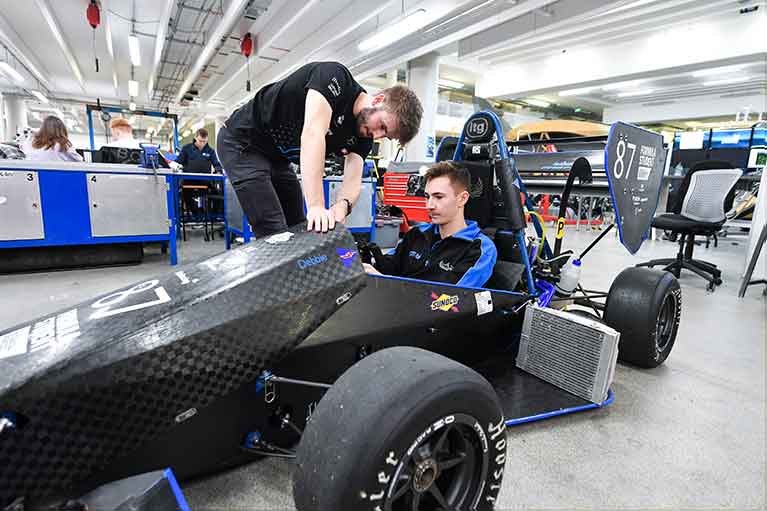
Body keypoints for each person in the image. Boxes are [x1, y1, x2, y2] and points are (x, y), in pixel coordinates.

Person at [217, 61, 423, 238]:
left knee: (298, 226)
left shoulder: (363, 135)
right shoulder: (334, 78)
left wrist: (342, 206)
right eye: (383, 126)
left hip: (277, 158)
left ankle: (301, 281)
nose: (377, 135)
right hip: (242, 142)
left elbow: (353, 181)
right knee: (273, 231)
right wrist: (316, 205)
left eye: (385, 135)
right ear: (378, 100)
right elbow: (313, 133)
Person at [363, 162, 497, 288]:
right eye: (427, 197)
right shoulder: (417, 234)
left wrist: (386, 286)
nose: (429, 205)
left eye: (439, 197)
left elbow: (449, 300)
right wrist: (365, 262)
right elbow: (390, 266)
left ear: (462, 198)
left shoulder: (479, 249)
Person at [175, 128, 223, 216]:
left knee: (218, 195)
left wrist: (219, 171)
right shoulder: (186, 149)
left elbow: (216, 164)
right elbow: (178, 162)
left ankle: (214, 216)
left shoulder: (210, 151)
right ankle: (197, 214)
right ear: (196, 138)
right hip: (188, 182)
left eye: (204, 141)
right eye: (200, 141)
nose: (202, 144)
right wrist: (174, 166)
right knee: (184, 195)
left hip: (205, 182)